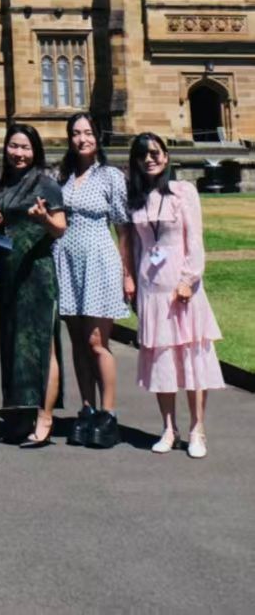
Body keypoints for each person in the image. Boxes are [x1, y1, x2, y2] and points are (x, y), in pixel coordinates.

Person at [122, 132, 224, 458]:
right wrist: (131, 282)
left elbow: (195, 241)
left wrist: (188, 280)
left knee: (192, 358)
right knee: (161, 361)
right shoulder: (136, 199)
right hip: (151, 291)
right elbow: (135, 246)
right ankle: (169, 428)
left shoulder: (183, 192)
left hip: (183, 290)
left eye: (155, 153)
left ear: (166, 156)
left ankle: (197, 429)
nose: (149, 159)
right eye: (142, 155)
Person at [0, 121, 67, 448]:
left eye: (25, 147)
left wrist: (44, 218)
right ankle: (20, 415)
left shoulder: (46, 184)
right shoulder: (4, 185)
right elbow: (3, 233)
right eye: (14, 146)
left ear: (35, 151)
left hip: (37, 274)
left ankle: (45, 418)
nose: (18, 153)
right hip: (9, 273)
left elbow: (60, 228)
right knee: (15, 346)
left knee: (43, 346)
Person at [56, 111, 128, 450]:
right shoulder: (65, 176)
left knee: (97, 342)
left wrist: (127, 273)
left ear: (98, 137)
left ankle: (108, 414)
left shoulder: (110, 176)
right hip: (67, 263)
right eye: (75, 133)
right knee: (78, 343)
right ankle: (87, 409)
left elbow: (123, 228)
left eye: (87, 132)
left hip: (99, 262)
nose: (81, 138)